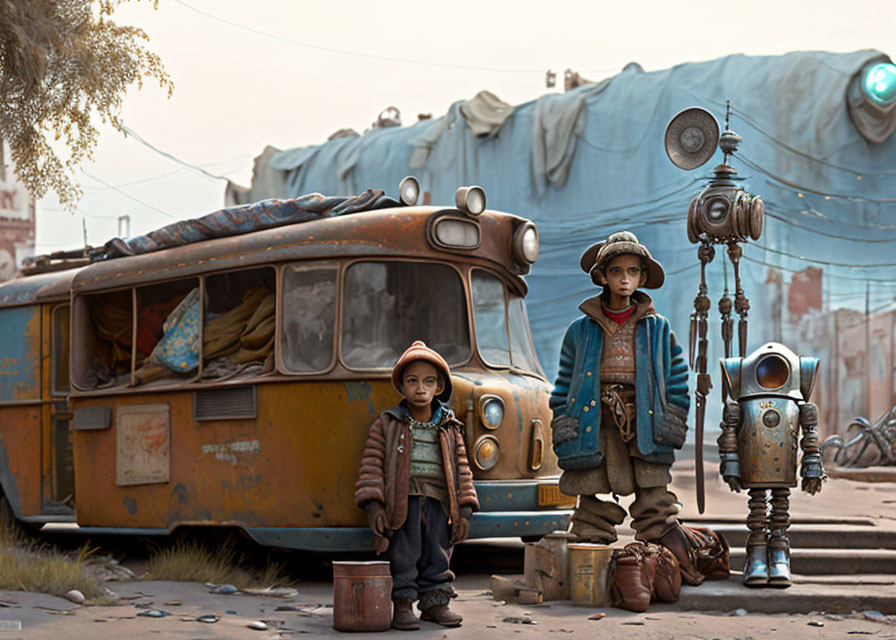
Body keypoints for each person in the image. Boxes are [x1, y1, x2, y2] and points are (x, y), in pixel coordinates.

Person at [550, 231, 701, 581]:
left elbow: (677, 380)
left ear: (642, 278)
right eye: (616, 271)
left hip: (644, 421)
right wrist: (563, 419)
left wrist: (672, 420)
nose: (624, 279)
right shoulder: (579, 330)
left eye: (632, 271)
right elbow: (564, 384)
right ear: (602, 276)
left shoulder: (659, 330)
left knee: (654, 500)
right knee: (589, 500)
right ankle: (589, 577)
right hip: (593, 421)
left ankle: (661, 572)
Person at [355, 340, 479, 630]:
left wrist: (464, 510)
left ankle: (436, 604)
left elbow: (462, 470)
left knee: (438, 552)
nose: (420, 389)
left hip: (439, 501)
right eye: (412, 381)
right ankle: (402, 606)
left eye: (428, 382)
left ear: (439, 387)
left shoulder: (449, 427)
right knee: (403, 554)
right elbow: (371, 466)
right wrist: (374, 506)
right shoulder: (388, 424)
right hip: (403, 501)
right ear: (401, 386)